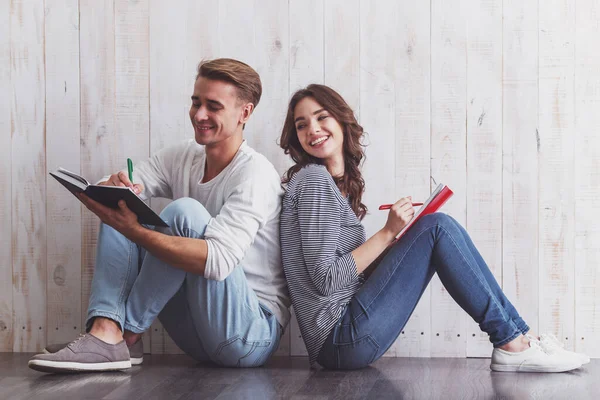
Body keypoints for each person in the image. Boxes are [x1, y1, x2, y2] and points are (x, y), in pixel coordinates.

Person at [278, 84, 589, 372]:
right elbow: (326, 280)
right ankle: (513, 341)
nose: (313, 130)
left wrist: (398, 243)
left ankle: (521, 336)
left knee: (433, 228)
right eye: (302, 124)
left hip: (346, 340)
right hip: (340, 339)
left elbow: (347, 276)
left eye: (321, 118)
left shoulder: (333, 189)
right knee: (436, 227)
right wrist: (386, 234)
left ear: (341, 121)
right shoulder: (313, 181)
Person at [29, 58, 290, 373]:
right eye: (196, 102)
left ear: (245, 113)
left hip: (248, 336)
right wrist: (114, 185)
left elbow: (219, 262)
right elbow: (111, 191)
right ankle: (107, 330)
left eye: (214, 106)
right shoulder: (183, 156)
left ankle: (125, 333)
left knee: (183, 212)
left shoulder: (256, 174)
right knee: (122, 203)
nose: (200, 114)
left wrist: (136, 232)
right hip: (198, 336)